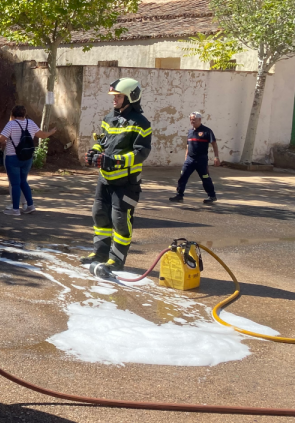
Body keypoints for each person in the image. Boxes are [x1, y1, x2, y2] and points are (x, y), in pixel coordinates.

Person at [81, 78, 152, 278]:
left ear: (131, 97)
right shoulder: (109, 118)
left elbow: (141, 153)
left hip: (126, 184)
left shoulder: (141, 123)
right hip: (104, 181)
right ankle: (101, 254)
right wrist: (93, 153)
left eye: (118, 96)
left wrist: (116, 161)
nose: (114, 100)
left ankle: (117, 260)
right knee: (99, 214)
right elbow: (102, 143)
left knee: (120, 220)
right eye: (114, 96)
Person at [1, 105, 55, 216]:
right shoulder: (30, 123)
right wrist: (51, 132)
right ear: (24, 114)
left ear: (12, 114)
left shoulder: (11, 124)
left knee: (15, 183)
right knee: (23, 181)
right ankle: (30, 205)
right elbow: (42, 135)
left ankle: (15, 209)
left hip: (12, 157)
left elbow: (2, 139)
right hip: (27, 158)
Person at [169, 112, 220, 204]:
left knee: (205, 178)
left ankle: (212, 196)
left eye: (194, 120)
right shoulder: (190, 132)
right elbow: (188, 146)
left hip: (201, 160)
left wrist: (216, 157)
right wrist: (186, 157)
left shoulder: (207, 131)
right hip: (189, 160)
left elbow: (214, 145)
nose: (192, 121)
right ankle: (179, 195)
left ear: (199, 120)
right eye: (191, 120)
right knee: (183, 177)